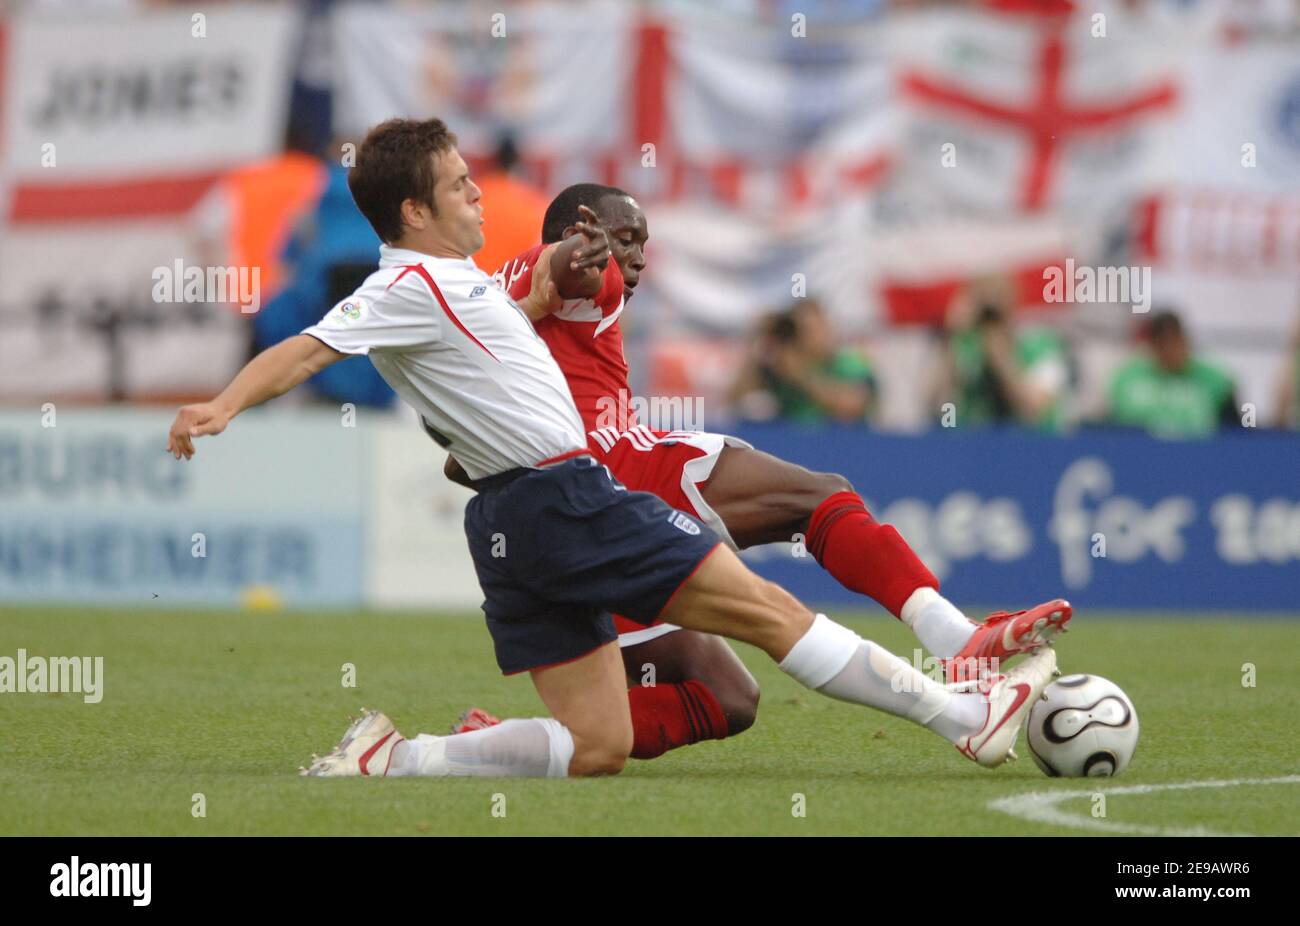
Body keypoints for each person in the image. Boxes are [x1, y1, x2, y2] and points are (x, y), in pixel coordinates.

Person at [167, 118, 1063, 780]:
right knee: (768, 613)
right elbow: (313, 346)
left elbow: (498, 339)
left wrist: (536, 305)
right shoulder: (412, 283)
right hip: (568, 497)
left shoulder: (456, 289)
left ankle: (395, 760)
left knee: (600, 744)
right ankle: (963, 715)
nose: (479, 194)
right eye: (460, 186)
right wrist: (225, 404)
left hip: (512, 521)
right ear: (414, 208)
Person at [451, 182, 1073, 759]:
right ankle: (954, 643)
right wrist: (582, 258)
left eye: (643, 244)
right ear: (575, 233)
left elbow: (459, 460)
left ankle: (500, 745)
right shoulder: (583, 270)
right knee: (819, 498)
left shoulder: (494, 305)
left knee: (724, 696)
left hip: (544, 525)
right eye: (626, 240)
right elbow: (576, 267)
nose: (636, 259)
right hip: (610, 470)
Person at [930, 278, 1071, 432]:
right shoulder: (962, 347)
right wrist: (951, 337)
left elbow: (1035, 410)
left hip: (1029, 447)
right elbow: (937, 405)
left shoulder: (1039, 346)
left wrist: (1001, 356)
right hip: (972, 442)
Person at [734, 299, 877, 425]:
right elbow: (737, 400)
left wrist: (799, 376)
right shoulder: (777, 368)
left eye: (812, 329)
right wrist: (760, 341)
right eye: (800, 330)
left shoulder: (849, 364)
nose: (808, 336)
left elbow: (852, 405)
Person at [1107, 309, 1238, 438]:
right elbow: (1117, 425)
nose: (1172, 350)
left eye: (1176, 341)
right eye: (1165, 343)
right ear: (1153, 345)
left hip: (1199, 451)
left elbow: (1235, 428)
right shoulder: (1129, 378)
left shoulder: (1213, 378)